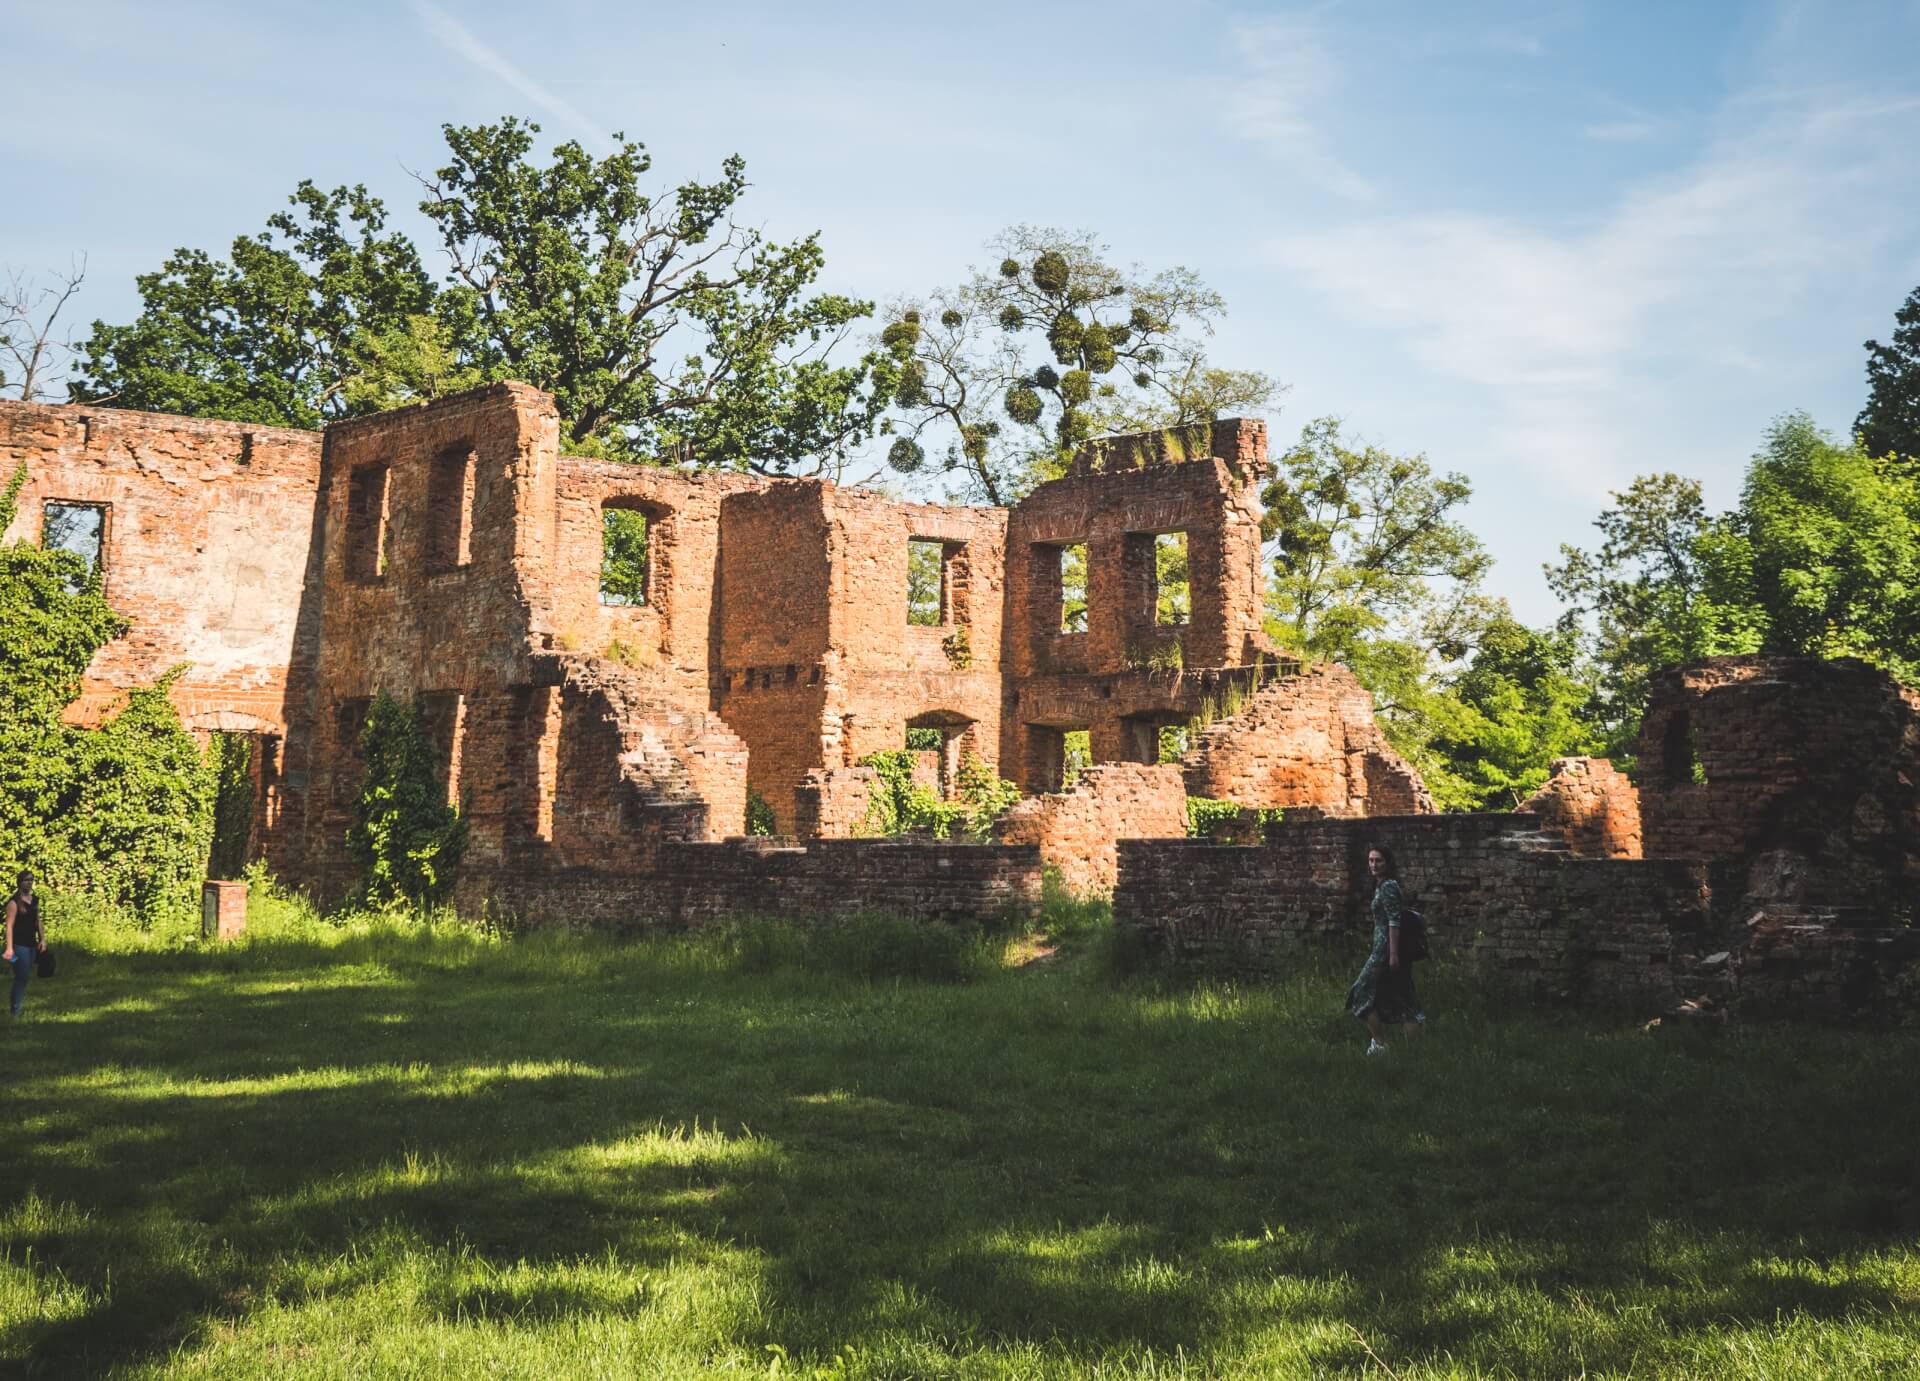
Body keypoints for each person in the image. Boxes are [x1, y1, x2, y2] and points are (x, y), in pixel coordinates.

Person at [1345, 846, 1424, 1055]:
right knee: (1403, 997)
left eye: (1378, 861)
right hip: (1384, 948)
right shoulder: (1382, 886)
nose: (1373, 865)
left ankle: (1380, 1044)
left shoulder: (1388, 886)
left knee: (1360, 993)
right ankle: (1409, 1052)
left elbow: (1394, 921)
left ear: (1387, 863)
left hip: (1386, 950)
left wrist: (1393, 954)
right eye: (1370, 860)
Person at [5, 870, 45, 1019]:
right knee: (21, 976)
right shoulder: (13, 902)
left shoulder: (34, 900)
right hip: (18, 945)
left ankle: (10, 967)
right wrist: (9, 948)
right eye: (26, 880)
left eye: (31, 880)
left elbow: (38, 921)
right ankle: (15, 1010)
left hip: (31, 944)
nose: (29, 882)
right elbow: (9, 926)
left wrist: (42, 939)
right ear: (20, 882)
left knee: (26, 975)